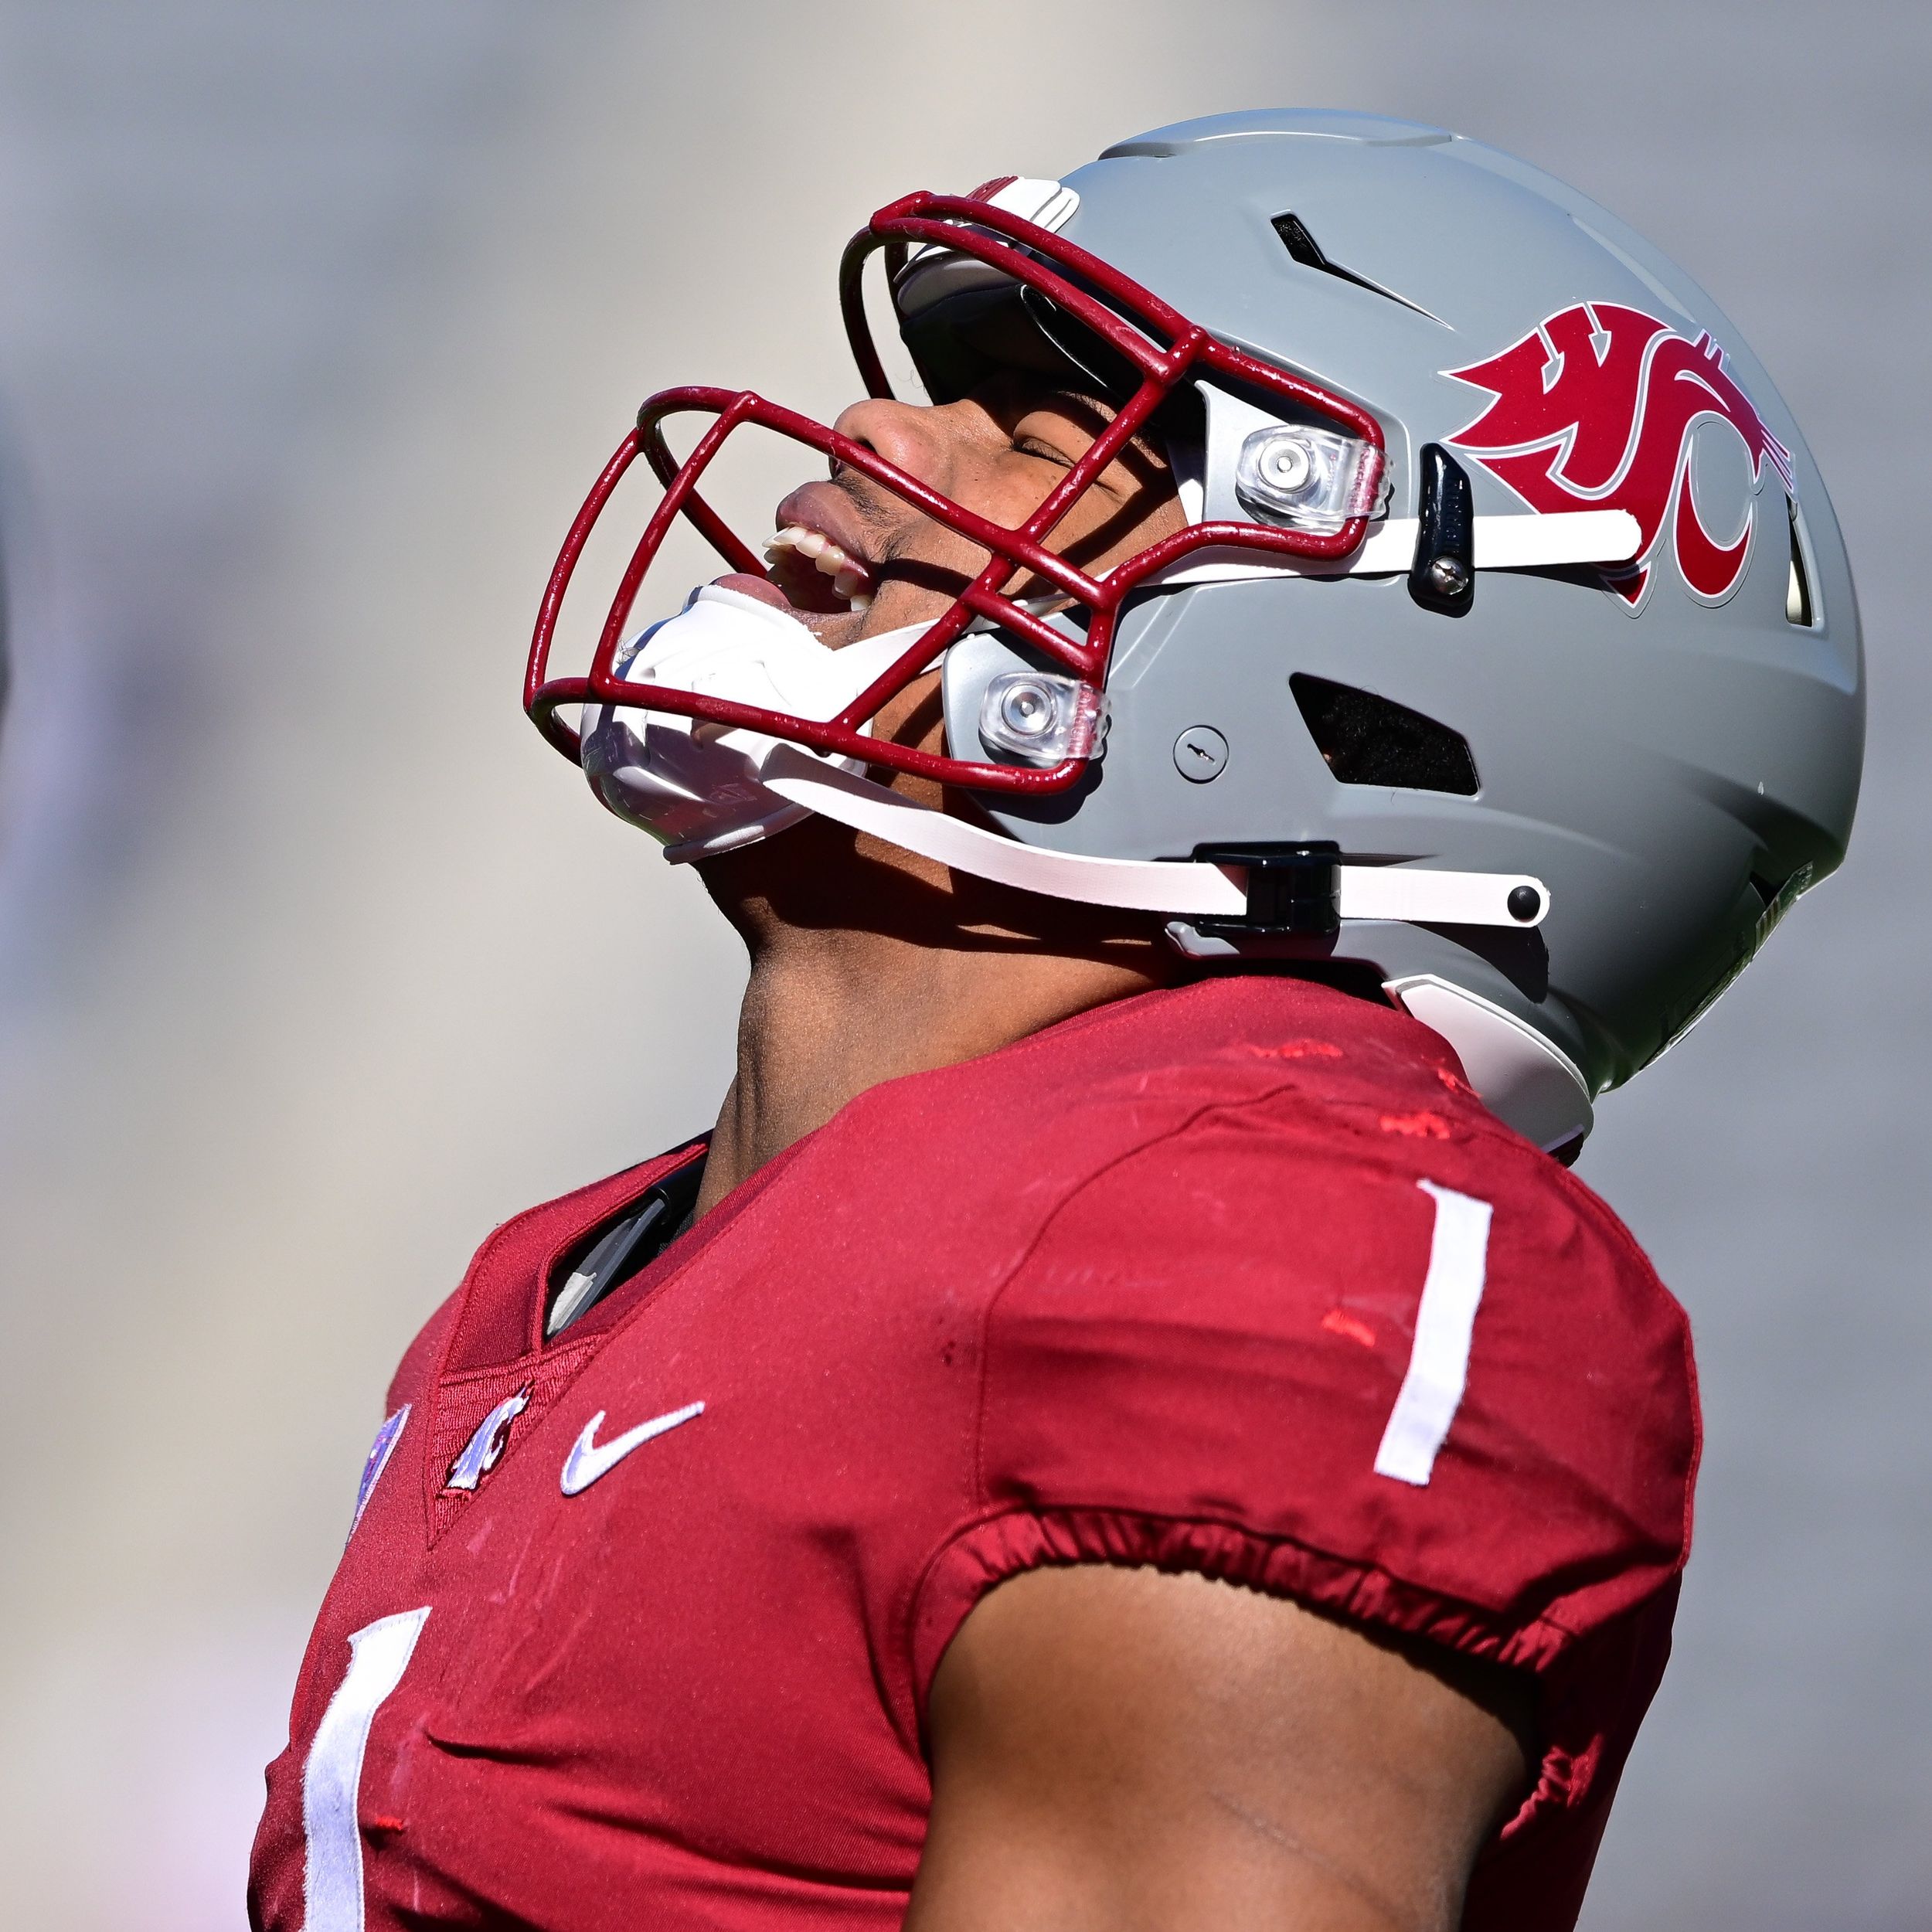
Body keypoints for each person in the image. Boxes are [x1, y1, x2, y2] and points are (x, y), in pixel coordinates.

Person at [250, 111, 1862, 1932]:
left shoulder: (1268, 1234)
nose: (874, 432)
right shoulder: (578, 1261)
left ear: (1389, 677)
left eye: (1037, 421)